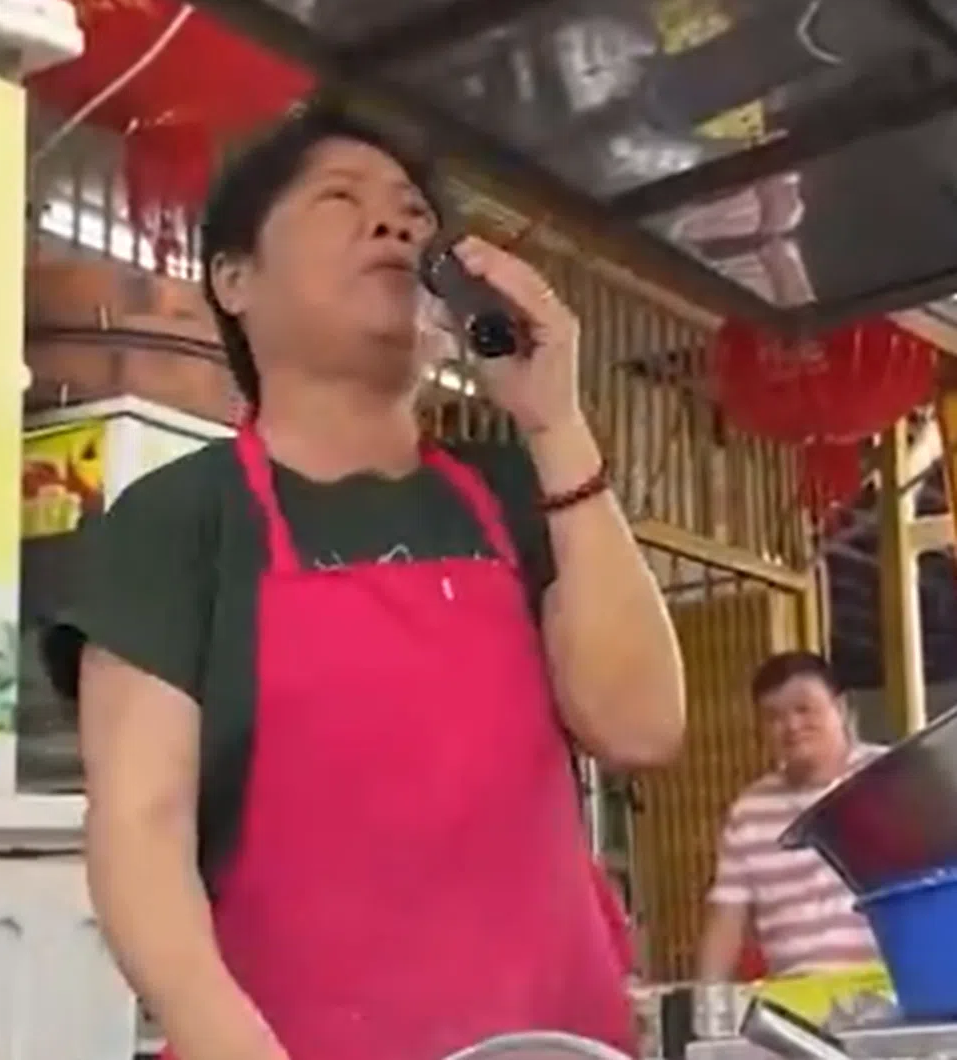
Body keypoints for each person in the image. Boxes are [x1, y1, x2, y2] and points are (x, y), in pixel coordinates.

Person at [44, 103, 685, 1060]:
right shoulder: (182, 518)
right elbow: (140, 825)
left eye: (414, 214)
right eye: (340, 200)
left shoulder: (520, 491)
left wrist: (557, 424)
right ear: (234, 279)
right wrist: (226, 1039)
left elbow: (642, 725)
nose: (394, 224)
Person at [697, 651, 884, 980]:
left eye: (804, 709)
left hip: (894, 989)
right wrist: (706, 1004)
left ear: (839, 708)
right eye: (774, 717)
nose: (792, 726)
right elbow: (726, 919)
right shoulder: (749, 812)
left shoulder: (891, 777)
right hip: (796, 998)